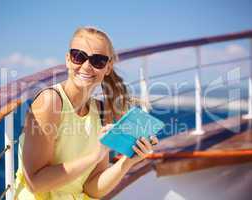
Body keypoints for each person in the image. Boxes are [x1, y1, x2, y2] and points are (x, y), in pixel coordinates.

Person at [14, 26, 158, 200]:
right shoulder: (50, 102)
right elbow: (35, 182)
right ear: (68, 59)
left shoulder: (102, 112)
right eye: (78, 57)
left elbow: (92, 188)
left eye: (98, 61)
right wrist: (94, 156)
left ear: (108, 67)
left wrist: (129, 161)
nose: (87, 66)